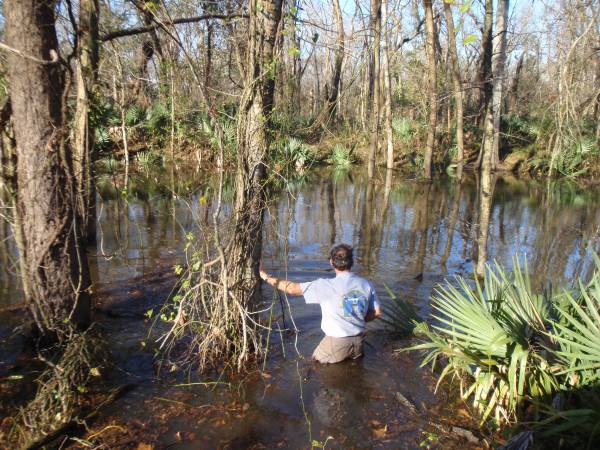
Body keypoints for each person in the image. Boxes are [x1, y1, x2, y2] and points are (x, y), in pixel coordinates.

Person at [259, 244, 381, 364]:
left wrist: (265, 277)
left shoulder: (324, 285)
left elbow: (291, 288)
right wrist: (354, 318)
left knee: (312, 366)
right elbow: (377, 312)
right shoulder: (366, 284)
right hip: (359, 342)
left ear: (331, 263)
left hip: (336, 343)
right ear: (352, 262)